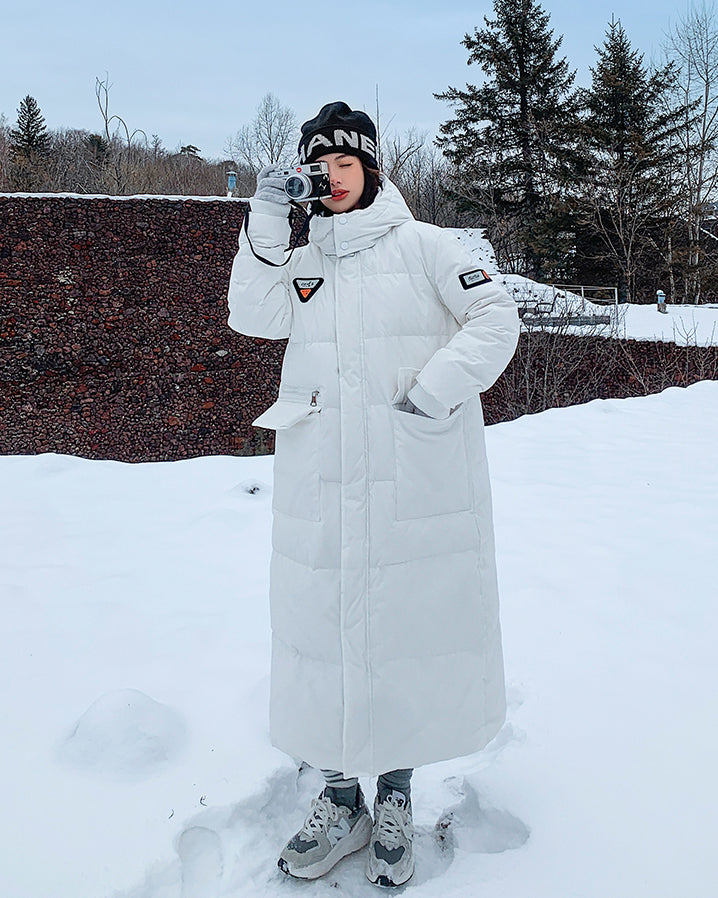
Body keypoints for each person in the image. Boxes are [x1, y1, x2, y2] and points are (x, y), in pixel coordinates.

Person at [226, 101, 520, 887]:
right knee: (324, 636)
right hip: (321, 480)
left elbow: (496, 319)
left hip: (410, 478)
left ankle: (393, 797)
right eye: (318, 166)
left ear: (371, 168)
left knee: (402, 633)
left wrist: (430, 393)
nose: (332, 177)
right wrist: (266, 218)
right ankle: (340, 800)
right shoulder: (304, 262)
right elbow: (251, 314)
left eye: (345, 163)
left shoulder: (426, 247)